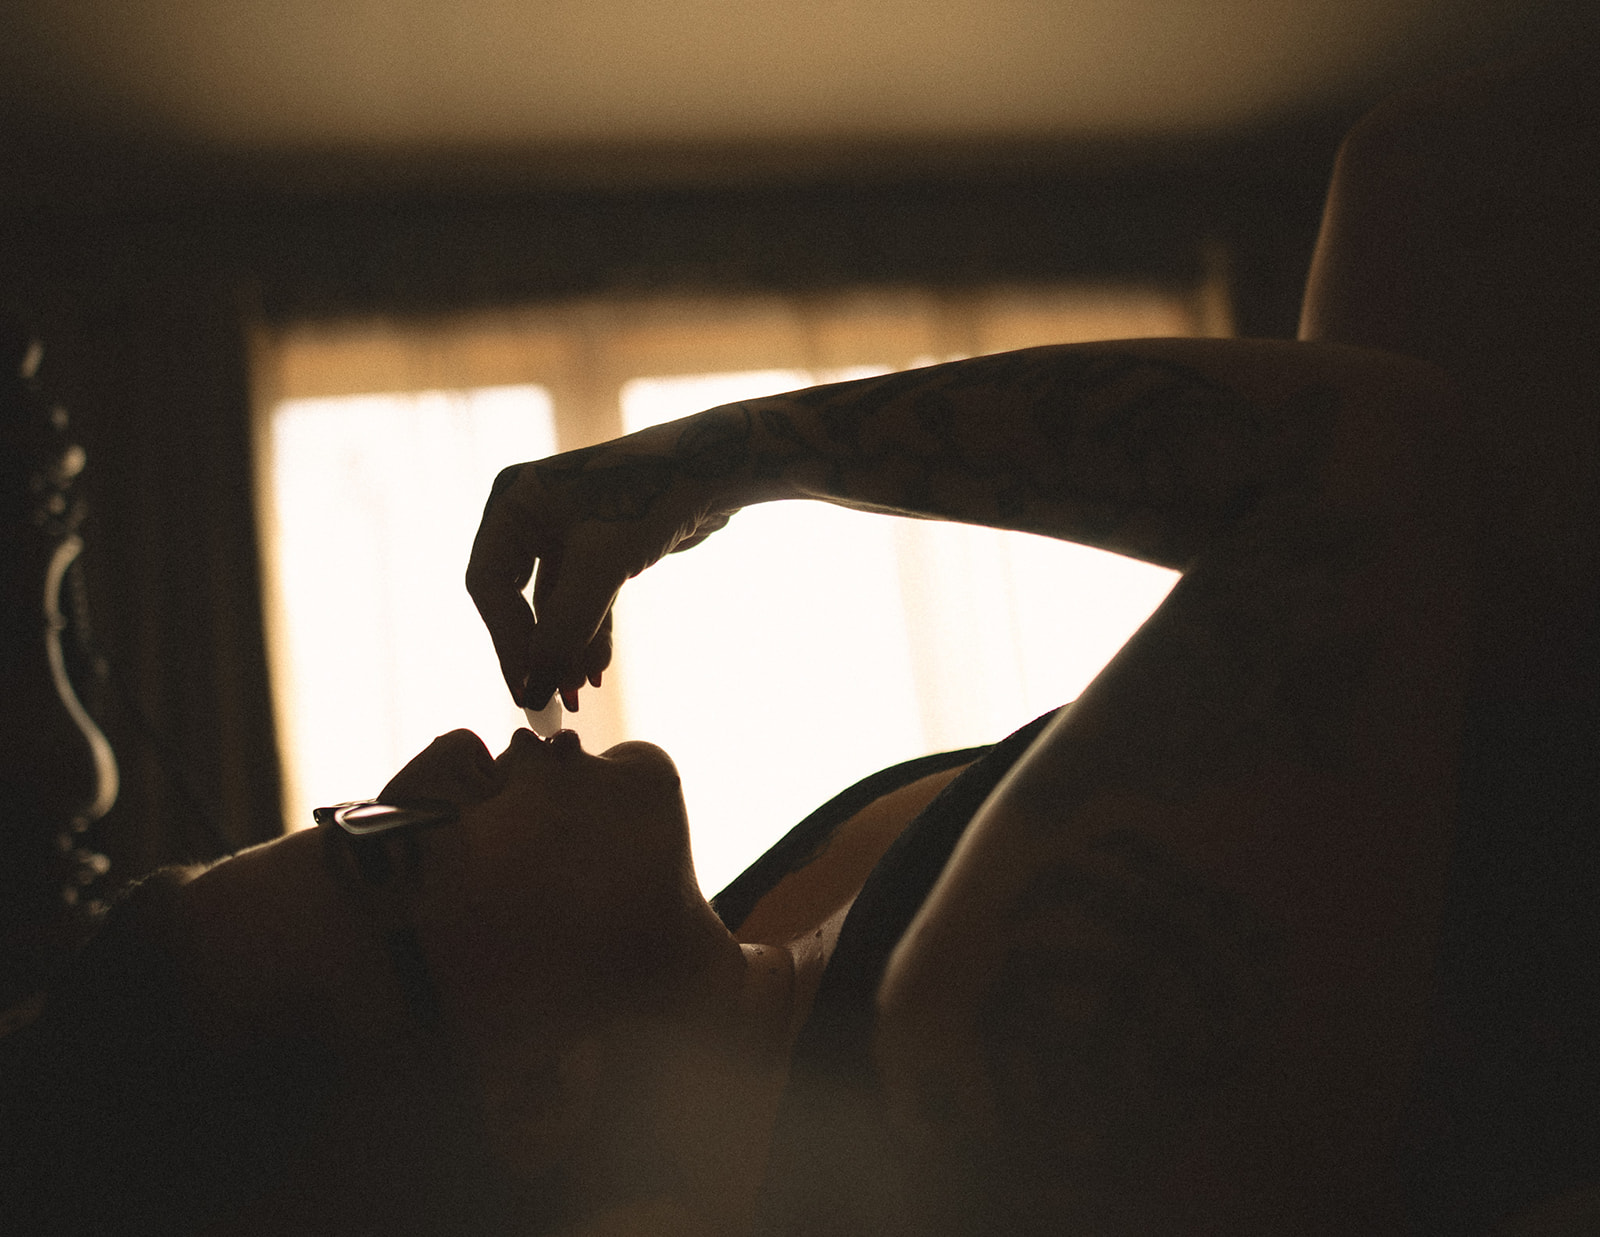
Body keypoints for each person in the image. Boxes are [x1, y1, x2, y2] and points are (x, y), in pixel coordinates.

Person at [2, 46, 1594, 1237]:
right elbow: (1370, 465)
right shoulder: (957, 1089)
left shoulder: (759, 953)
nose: (436, 756)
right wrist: (736, 455)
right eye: (381, 848)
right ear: (536, 1092)